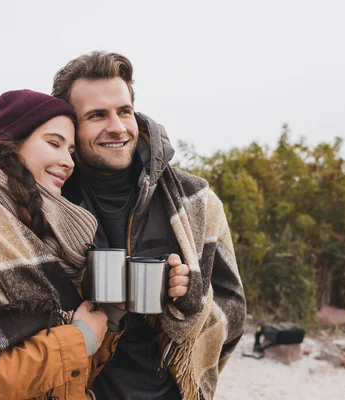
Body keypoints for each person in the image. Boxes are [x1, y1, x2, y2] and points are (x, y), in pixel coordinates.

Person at [0, 90, 193, 400]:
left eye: (70, 150)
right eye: (54, 144)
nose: (67, 161)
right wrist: (79, 338)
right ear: (11, 146)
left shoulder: (43, 231)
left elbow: (66, 374)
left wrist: (108, 318)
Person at [52, 52, 247, 400]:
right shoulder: (47, 202)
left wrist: (190, 301)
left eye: (124, 111)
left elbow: (233, 306)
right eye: (97, 115)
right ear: (71, 125)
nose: (117, 126)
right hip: (74, 390)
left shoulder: (195, 200)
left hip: (170, 393)